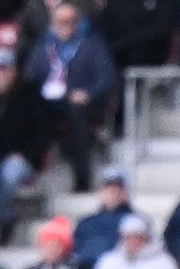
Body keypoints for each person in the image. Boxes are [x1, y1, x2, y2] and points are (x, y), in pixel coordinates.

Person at [24, 3, 114, 191]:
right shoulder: (42, 46)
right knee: (26, 112)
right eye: (61, 22)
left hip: (80, 102)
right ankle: (29, 173)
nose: (66, 26)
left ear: (78, 22)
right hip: (48, 101)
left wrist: (88, 93)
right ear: (52, 23)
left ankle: (82, 178)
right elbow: (30, 77)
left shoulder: (92, 45)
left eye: (71, 22)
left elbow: (106, 77)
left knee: (77, 115)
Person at [0, 48, 47, 245]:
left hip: (22, 158)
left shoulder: (30, 94)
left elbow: (42, 133)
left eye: (5, 69)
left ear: (14, 70)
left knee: (8, 175)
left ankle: (5, 222)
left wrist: (27, 155)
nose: (1, 74)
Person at [71, 170, 135, 269]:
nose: (113, 193)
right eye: (108, 189)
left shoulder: (136, 223)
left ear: (125, 192)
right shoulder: (86, 223)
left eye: (117, 189)